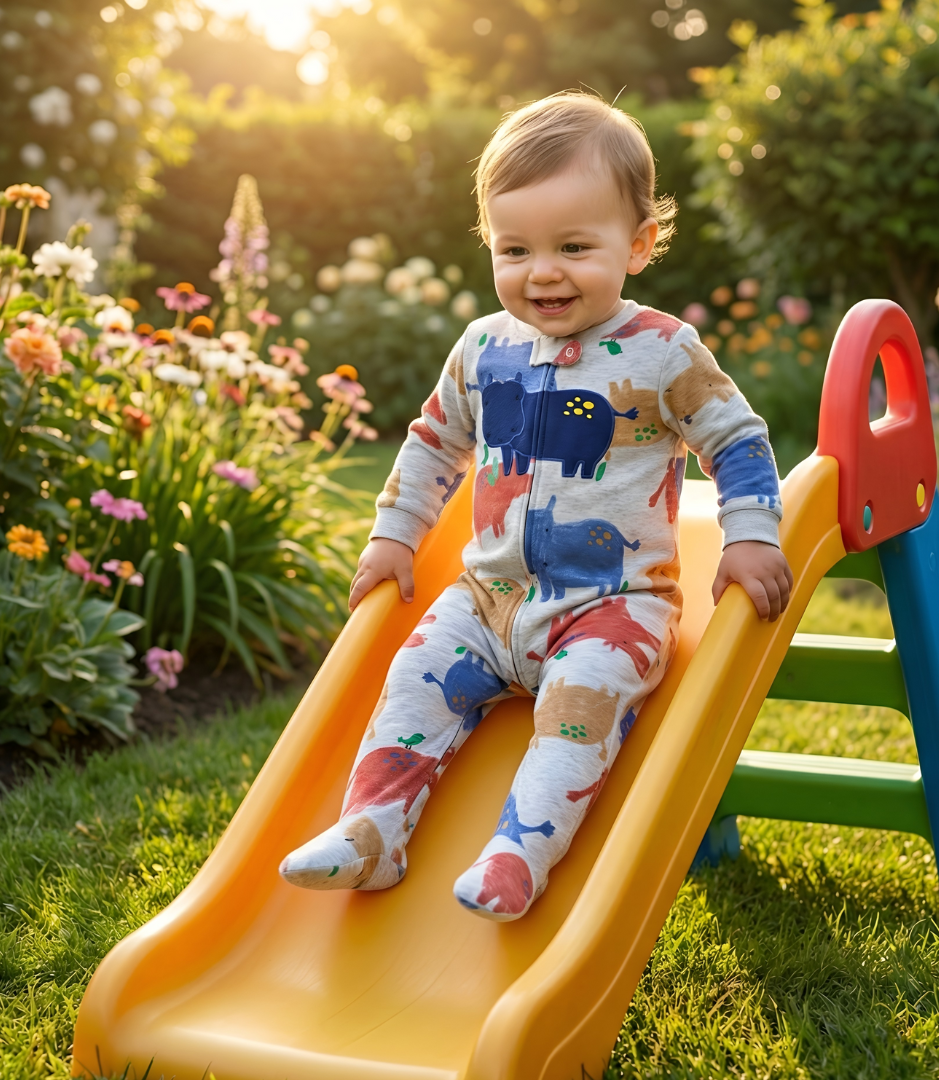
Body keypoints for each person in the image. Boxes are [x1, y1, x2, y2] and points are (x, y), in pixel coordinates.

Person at [279, 92, 792, 920]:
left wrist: (752, 535)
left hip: (612, 608)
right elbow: (432, 442)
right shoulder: (483, 348)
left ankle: (521, 852)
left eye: (574, 246)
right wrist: (394, 536)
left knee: (575, 718)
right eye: (514, 248)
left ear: (639, 243)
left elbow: (736, 439)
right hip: (487, 601)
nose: (542, 271)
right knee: (411, 682)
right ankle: (371, 833)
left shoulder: (665, 350)